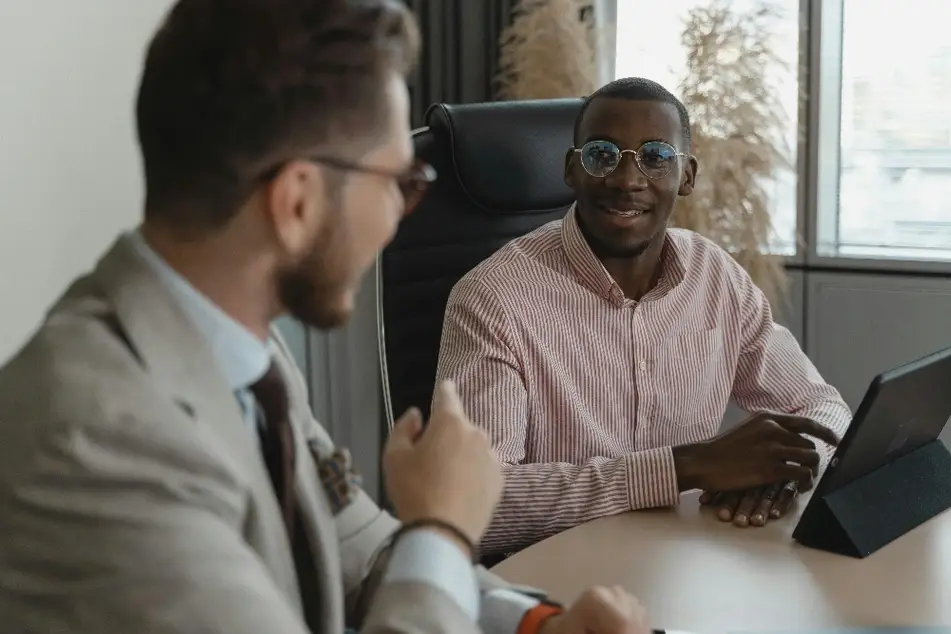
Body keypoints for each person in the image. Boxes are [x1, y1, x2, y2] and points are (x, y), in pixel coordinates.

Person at [0, 3, 651, 633]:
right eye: (397, 181)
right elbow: (417, 556)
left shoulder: (246, 350)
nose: (399, 216)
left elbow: (359, 551)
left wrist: (534, 623)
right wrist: (445, 528)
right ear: (298, 202)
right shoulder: (91, 440)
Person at [435, 77, 851, 559]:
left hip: (685, 564)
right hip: (556, 582)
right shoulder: (492, 298)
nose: (626, 180)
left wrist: (783, 472)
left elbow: (823, 408)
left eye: (655, 157)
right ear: (572, 169)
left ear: (687, 176)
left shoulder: (715, 276)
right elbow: (474, 504)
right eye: (601, 155)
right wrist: (682, 469)